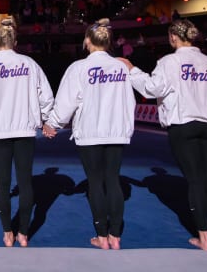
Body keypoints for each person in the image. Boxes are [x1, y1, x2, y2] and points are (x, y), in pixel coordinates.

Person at [121, 19, 207, 251]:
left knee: (195, 180)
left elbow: (152, 88)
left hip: (184, 125)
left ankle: (204, 238)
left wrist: (132, 70)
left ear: (174, 38)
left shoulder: (169, 62)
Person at [43, 18, 137, 250]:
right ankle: (115, 236)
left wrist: (52, 123)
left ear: (87, 41)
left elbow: (66, 102)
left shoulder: (78, 68)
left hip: (90, 132)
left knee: (95, 182)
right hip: (115, 131)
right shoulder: (122, 67)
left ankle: (101, 236)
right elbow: (130, 100)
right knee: (113, 179)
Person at [0, 17, 54, 247]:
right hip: (25, 129)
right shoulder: (29, 63)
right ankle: (24, 232)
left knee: (3, 183)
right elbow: (46, 96)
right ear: (15, 40)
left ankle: (8, 231)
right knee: (25, 182)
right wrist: (46, 119)